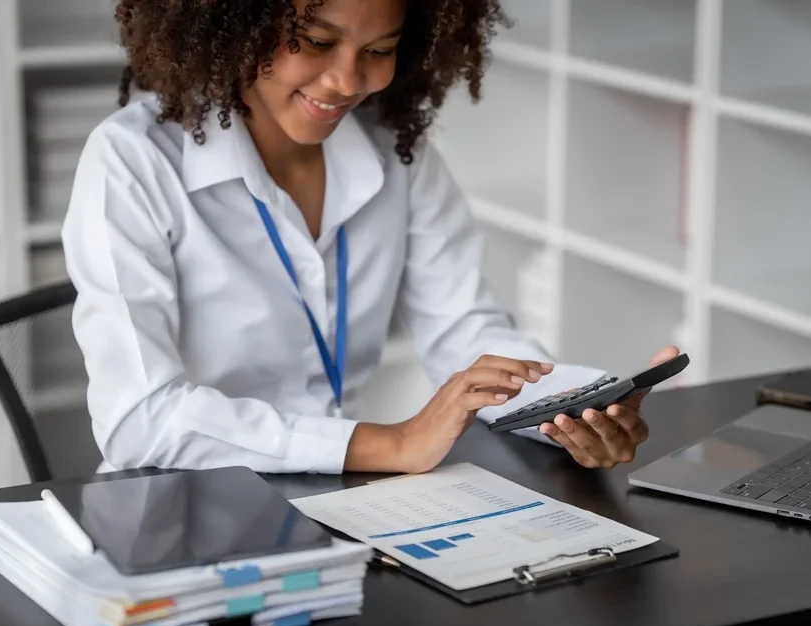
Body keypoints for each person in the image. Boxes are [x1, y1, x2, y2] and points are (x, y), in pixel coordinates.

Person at [62, 0, 680, 477]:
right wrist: (395, 442)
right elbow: (139, 417)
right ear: (236, 21)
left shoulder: (395, 154)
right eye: (316, 42)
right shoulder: (133, 161)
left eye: (379, 50)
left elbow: (465, 330)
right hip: (179, 502)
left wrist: (571, 405)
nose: (345, 81)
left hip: (336, 490)